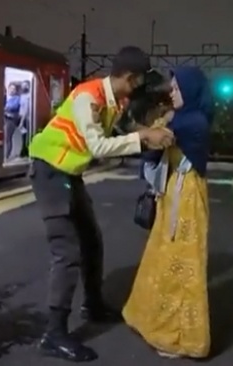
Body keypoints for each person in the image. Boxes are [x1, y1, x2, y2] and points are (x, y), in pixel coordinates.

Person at [27, 46, 175, 362]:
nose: (140, 88)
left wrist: (146, 130)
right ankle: (53, 334)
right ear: (130, 78)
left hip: (68, 172)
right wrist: (145, 138)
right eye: (140, 82)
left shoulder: (113, 100)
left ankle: (92, 304)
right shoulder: (87, 97)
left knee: (91, 241)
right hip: (50, 170)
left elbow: (121, 127)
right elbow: (97, 145)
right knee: (67, 252)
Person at [122, 66, 213, 359]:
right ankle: (157, 323)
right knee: (165, 258)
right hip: (175, 192)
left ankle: (181, 337)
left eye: (175, 88)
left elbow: (152, 144)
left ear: (189, 90)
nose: (171, 93)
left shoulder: (192, 121)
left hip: (186, 196)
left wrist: (137, 126)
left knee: (181, 265)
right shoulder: (185, 118)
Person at [4, 82, 22, 161]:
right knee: (6, 138)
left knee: (8, 138)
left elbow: (12, 107)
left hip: (11, 120)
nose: (11, 90)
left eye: (13, 89)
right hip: (6, 119)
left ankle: (7, 155)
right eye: (10, 88)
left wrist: (5, 109)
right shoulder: (9, 99)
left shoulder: (17, 98)